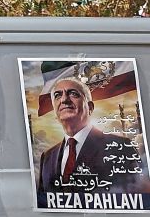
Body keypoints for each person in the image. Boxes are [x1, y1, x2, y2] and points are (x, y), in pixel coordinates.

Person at [36, 75, 147, 207]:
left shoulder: (121, 147)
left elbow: (140, 199)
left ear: (90, 107)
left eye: (73, 93)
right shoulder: (47, 157)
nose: (64, 99)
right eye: (58, 95)